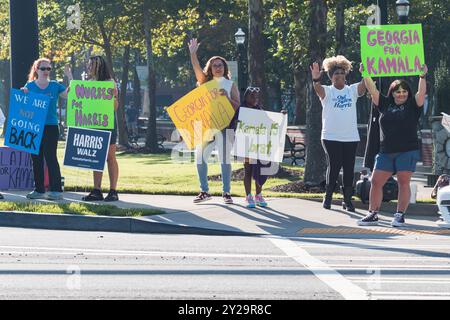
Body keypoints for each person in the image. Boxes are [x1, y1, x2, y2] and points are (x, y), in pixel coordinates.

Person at [358, 65, 428, 227]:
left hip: (407, 150)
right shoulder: (384, 103)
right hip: (386, 151)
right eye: (398, 91)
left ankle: (399, 215)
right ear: (392, 93)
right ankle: (373, 213)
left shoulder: (413, 105)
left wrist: (422, 77)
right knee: (375, 181)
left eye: (404, 91)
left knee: (403, 182)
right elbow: (372, 90)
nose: (401, 94)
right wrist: (365, 73)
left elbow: (421, 93)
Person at [310, 56, 366, 212]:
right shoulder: (328, 91)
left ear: (345, 75)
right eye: (336, 74)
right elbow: (318, 90)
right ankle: (328, 197)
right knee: (334, 165)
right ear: (331, 77)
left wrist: (365, 73)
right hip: (330, 137)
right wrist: (315, 79)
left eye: (342, 73)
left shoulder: (351, 90)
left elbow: (363, 87)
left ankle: (347, 200)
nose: (339, 76)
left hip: (350, 137)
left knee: (349, 168)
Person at [188, 38, 240, 204]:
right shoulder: (205, 82)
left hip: (225, 126)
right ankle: (204, 191)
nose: (218, 68)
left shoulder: (230, 84)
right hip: (205, 126)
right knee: (200, 158)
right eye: (215, 65)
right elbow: (196, 68)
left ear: (225, 68)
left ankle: (226, 192)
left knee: (224, 159)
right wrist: (193, 53)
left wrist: (227, 99)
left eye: (220, 65)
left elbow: (237, 106)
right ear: (210, 68)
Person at [20, 58, 72, 200]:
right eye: (43, 69)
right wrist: (22, 93)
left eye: (48, 69)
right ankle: (39, 190)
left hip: (51, 127)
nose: (46, 72)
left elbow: (69, 95)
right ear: (36, 69)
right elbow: (23, 104)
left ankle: (56, 191)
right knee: (36, 159)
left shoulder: (55, 85)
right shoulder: (29, 86)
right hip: (34, 127)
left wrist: (69, 76)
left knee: (50, 158)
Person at [230, 86, 287, 208]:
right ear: (246, 97)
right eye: (252, 96)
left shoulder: (258, 109)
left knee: (259, 169)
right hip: (245, 145)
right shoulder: (241, 110)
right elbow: (232, 124)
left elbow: (271, 123)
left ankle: (259, 195)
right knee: (248, 170)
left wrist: (281, 117)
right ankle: (248, 196)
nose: (255, 99)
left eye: (256, 97)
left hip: (257, 146)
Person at [80, 55, 120, 202]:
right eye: (88, 65)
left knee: (110, 157)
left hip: (107, 124)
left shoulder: (110, 83)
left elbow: (115, 108)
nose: (88, 67)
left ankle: (113, 191)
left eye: (91, 65)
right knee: (96, 158)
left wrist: (114, 97)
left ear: (99, 66)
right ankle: (96, 190)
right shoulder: (88, 83)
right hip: (93, 124)